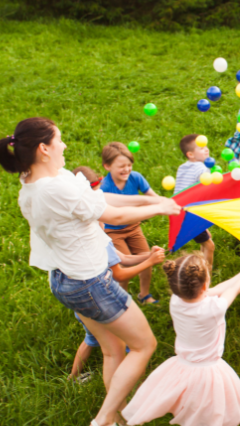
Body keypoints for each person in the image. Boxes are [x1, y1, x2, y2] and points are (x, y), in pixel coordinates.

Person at [0, 117, 180, 426]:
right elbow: (115, 215)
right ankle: (104, 419)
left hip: (65, 280)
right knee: (144, 345)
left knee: (113, 352)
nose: (65, 145)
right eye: (59, 140)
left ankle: (117, 421)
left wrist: (152, 199)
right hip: (90, 283)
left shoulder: (35, 181)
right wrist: (160, 208)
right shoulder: (54, 188)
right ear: (44, 148)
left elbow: (100, 199)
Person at [122, 253, 240, 426]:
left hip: (182, 366)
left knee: (190, 405)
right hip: (208, 372)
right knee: (209, 414)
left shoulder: (176, 301)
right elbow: (234, 289)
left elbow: (216, 290)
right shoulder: (213, 309)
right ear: (203, 285)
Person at [70, 243, 166, 381]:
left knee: (91, 339)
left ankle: (73, 378)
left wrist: (150, 255)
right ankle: (136, 385)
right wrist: (150, 262)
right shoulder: (96, 239)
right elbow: (120, 275)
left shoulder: (93, 237)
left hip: (83, 300)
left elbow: (124, 258)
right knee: (131, 346)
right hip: (103, 301)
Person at [100, 142, 160, 305]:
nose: (126, 169)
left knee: (146, 260)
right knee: (124, 269)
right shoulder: (104, 187)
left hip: (133, 228)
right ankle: (122, 300)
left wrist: (164, 204)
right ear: (107, 166)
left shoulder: (136, 178)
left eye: (129, 165)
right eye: (121, 166)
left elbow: (153, 197)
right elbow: (109, 214)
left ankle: (144, 295)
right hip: (113, 232)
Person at [174, 134, 216, 270]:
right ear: (190, 154)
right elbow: (208, 190)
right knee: (210, 246)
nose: (206, 150)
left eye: (206, 146)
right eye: (201, 147)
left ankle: (201, 264)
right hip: (190, 214)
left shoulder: (182, 167)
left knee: (206, 237)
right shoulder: (202, 169)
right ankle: (206, 275)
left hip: (179, 210)